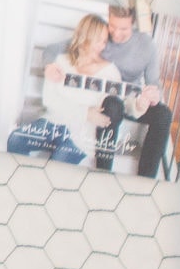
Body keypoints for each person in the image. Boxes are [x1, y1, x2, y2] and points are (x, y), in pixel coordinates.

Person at [8, 15, 121, 165]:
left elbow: (119, 104)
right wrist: (85, 113)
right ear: (85, 36)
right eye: (99, 40)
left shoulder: (110, 72)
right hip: (52, 122)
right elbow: (50, 99)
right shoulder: (61, 61)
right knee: (16, 139)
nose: (102, 46)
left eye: (105, 41)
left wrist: (139, 105)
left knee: (58, 163)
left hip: (81, 134)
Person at [97, 4, 175, 178]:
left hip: (135, 102)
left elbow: (154, 83)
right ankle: (102, 173)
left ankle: (146, 179)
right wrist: (51, 64)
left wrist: (154, 96)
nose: (116, 34)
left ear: (133, 22)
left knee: (164, 114)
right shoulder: (99, 32)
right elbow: (57, 49)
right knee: (112, 104)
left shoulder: (146, 44)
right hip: (108, 101)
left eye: (123, 28)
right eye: (112, 26)